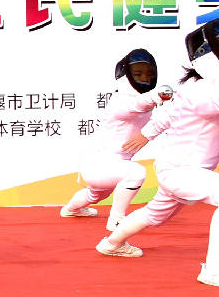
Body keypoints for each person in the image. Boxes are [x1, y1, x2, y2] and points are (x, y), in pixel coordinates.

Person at [95, 20, 219, 288]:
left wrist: (145, 135)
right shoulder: (204, 92)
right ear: (207, 55)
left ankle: (112, 243)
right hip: (181, 171)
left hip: (179, 169)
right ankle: (214, 269)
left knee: (154, 214)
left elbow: (168, 116)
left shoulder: (196, 87)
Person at [58, 49, 174, 231]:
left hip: (110, 165)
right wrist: (158, 95)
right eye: (138, 74)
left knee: (96, 195)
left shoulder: (142, 103)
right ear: (125, 77)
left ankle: (70, 209)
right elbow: (139, 104)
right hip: (98, 164)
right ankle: (117, 221)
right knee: (135, 173)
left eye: (149, 74)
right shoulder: (121, 101)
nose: (145, 79)